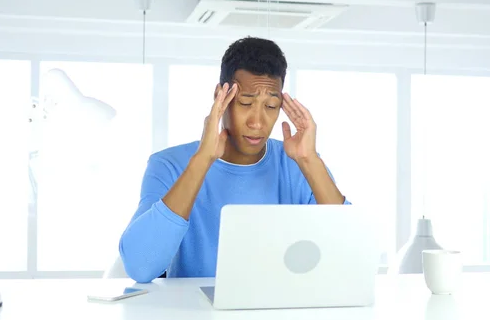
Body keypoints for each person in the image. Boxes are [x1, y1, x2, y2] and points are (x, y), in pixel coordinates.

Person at [119, 36, 350, 283]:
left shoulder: (300, 164)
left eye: (271, 106)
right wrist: (203, 160)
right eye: (245, 102)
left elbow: (349, 254)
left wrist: (310, 160)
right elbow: (140, 266)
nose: (258, 122)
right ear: (221, 96)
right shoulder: (167, 165)